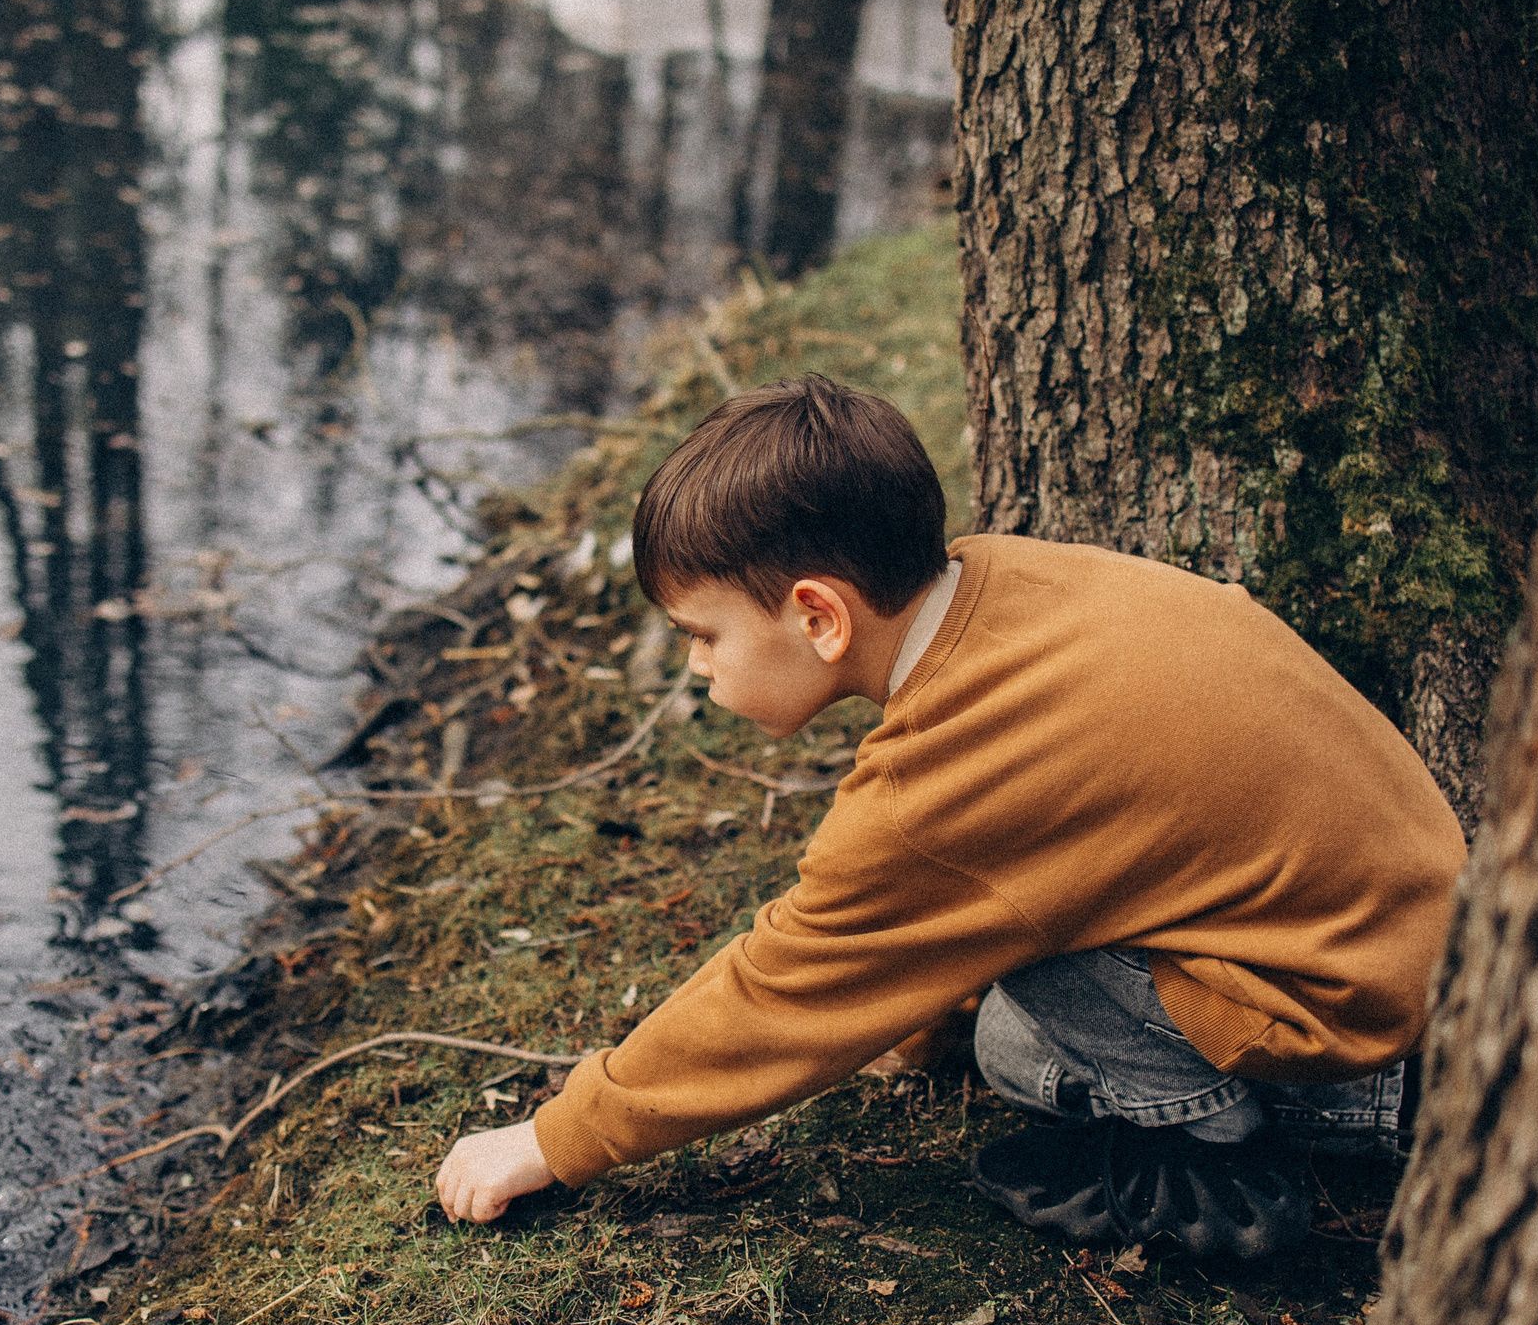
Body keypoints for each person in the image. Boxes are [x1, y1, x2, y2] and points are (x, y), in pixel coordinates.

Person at [431, 375, 1465, 1256]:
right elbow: (963, 893)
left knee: (1021, 1041)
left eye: (701, 635)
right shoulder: (1011, 582)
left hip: (1357, 1031)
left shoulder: (952, 777)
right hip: (1427, 937)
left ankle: (1210, 1154)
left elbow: (789, 985)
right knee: (1010, 1045)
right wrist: (920, 1017)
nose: (696, 667)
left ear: (818, 616)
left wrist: (555, 1138)